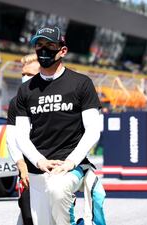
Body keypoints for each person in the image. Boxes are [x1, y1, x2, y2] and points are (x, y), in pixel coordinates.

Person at [14, 26, 103, 225]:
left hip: (70, 167)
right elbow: (20, 135)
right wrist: (39, 161)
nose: (43, 50)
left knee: (57, 189)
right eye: (39, 45)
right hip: (38, 170)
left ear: (62, 50)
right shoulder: (25, 90)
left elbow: (93, 130)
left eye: (50, 45)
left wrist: (71, 162)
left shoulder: (81, 83)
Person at [6, 53, 41, 225]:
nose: (25, 78)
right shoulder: (16, 102)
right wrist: (21, 165)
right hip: (28, 169)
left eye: (30, 75)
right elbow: (11, 137)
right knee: (28, 215)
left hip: (55, 166)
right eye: (23, 74)